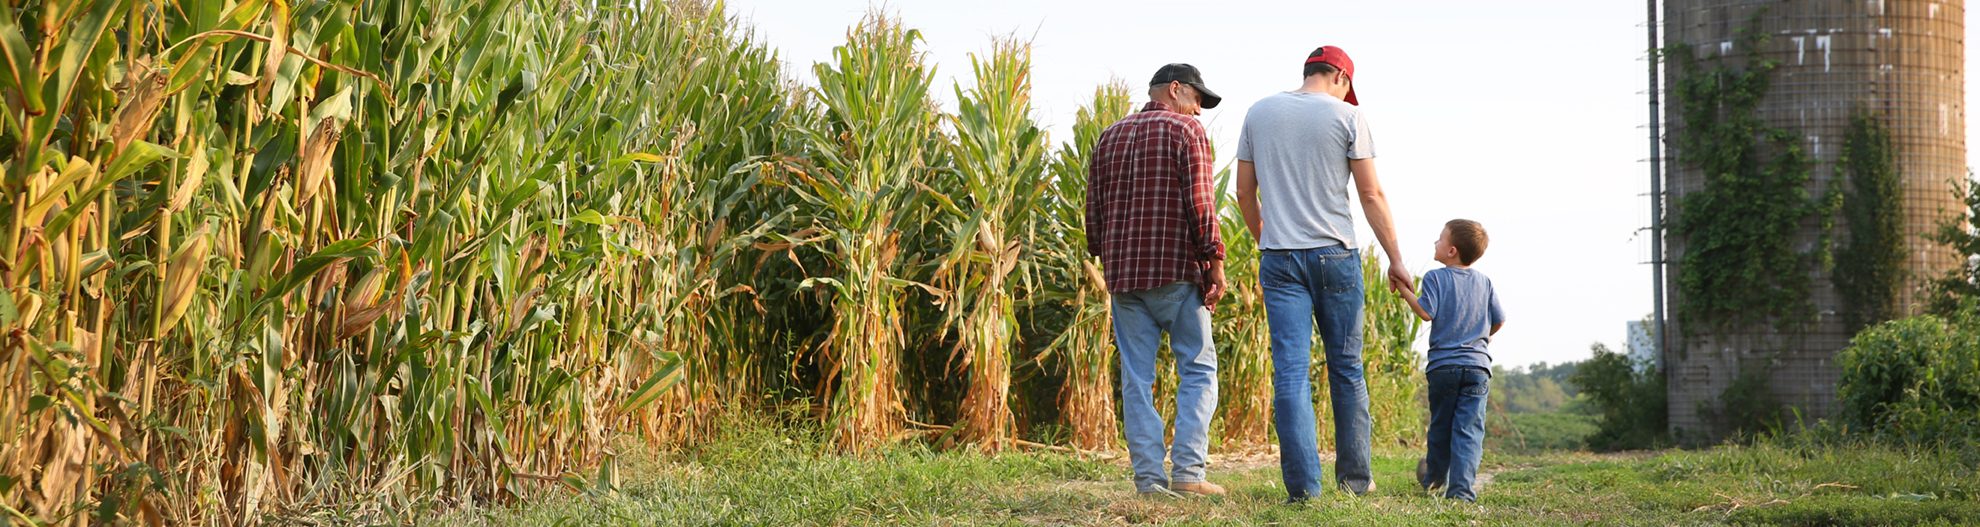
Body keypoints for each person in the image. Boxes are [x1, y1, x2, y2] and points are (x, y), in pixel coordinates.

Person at [1234, 45, 1413, 502]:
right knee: (1347, 369)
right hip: (1335, 254)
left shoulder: (1259, 112)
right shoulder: (1348, 118)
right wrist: (1395, 258)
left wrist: (1267, 239)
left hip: (1280, 257)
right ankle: (1355, 482)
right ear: (1340, 77)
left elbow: (1244, 194)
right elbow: (1371, 194)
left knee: (1290, 374)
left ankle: (1303, 491)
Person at [1086, 63, 1229, 497]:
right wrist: (1215, 260)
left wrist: (1108, 253)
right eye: (1197, 100)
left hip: (1125, 278)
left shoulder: (1109, 136)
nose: (1199, 112)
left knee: (1136, 378)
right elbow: (1201, 203)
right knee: (1199, 369)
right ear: (1174, 90)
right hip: (1175, 273)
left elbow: (1093, 212)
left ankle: (1148, 480)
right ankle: (1188, 473)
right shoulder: (1185, 133)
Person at [1402, 219, 1506, 503]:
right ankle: (1461, 492)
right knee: (1469, 430)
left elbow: (1426, 312)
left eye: (1439, 238)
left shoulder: (1436, 277)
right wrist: (1482, 337)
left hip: (1444, 368)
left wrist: (1404, 290)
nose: (1435, 242)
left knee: (1441, 425)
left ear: (1452, 251)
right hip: (1477, 367)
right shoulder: (1484, 282)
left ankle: (1434, 478)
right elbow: (1499, 320)